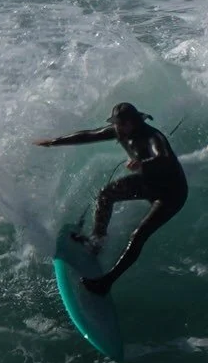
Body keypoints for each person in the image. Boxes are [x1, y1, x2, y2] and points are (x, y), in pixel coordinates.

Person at [34, 102, 187, 294]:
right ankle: (97, 242)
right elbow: (90, 135)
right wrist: (54, 142)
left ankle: (106, 283)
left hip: (171, 193)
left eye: (120, 124)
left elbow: (164, 158)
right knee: (106, 195)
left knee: (138, 235)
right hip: (148, 183)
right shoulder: (119, 131)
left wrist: (142, 163)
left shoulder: (152, 137)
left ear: (132, 122)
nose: (116, 128)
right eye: (115, 123)